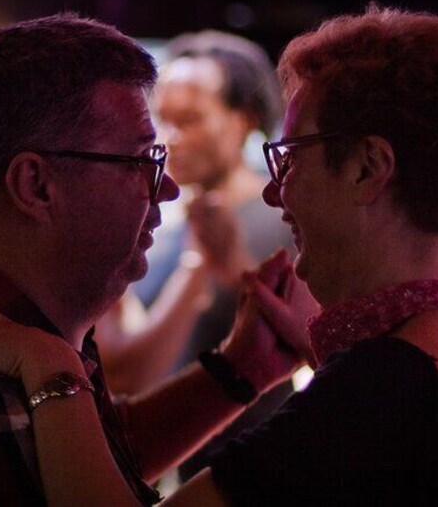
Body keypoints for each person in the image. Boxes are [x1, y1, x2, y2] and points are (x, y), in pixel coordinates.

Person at [0, 5, 438, 504]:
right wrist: (242, 370)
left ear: (368, 168)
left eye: (292, 157)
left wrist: (49, 364)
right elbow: (108, 456)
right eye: (142, 158)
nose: (276, 194)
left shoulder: (381, 386)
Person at [0, 13, 300, 505]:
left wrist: (243, 368)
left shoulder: (14, 330)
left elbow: (102, 458)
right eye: (142, 162)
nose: (166, 189)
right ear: (35, 186)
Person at [96, 30, 294, 482]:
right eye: (163, 120)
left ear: (243, 119)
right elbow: (124, 370)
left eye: (190, 119)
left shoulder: (289, 224)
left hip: (255, 477)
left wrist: (233, 268)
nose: (172, 138)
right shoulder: (149, 223)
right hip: (152, 472)